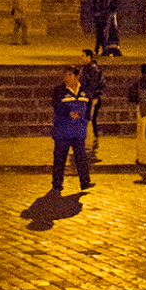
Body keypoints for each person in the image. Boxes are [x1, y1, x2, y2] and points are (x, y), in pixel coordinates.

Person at [50, 66, 91, 195]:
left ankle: (85, 182)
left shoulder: (84, 90)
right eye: (66, 75)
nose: (67, 78)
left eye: (70, 75)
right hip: (63, 131)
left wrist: (84, 118)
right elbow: (56, 107)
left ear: (77, 77)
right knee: (59, 159)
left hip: (78, 131)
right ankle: (57, 184)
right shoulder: (59, 91)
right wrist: (69, 112)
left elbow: (88, 107)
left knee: (81, 157)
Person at [80, 49, 104, 155]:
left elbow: (92, 85)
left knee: (88, 120)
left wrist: (91, 97)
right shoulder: (85, 68)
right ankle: (92, 141)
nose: (82, 58)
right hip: (87, 98)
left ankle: (90, 143)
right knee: (89, 120)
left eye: (83, 56)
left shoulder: (92, 69)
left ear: (89, 57)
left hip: (90, 98)